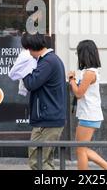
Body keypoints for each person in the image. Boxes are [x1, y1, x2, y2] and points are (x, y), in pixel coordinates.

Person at [68, 40, 107, 170]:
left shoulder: (90, 73)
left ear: (84, 54)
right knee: (81, 149)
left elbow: (79, 93)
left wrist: (71, 80)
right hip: (89, 114)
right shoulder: (90, 71)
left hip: (89, 114)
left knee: (80, 149)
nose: (78, 56)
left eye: (78, 53)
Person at [21, 32, 66, 170]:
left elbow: (31, 83)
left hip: (47, 120)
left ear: (32, 47)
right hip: (49, 118)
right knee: (45, 161)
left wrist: (22, 70)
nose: (28, 53)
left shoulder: (47, 62)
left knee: (38, 162)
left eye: (27, 49)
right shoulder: (50, 60)